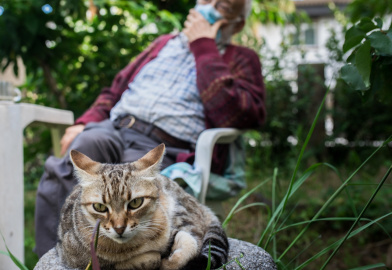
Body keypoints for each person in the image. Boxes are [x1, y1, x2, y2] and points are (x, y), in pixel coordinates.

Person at [34, 0, 266, 258]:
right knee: (74, 158)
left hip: (160, 143)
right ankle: (52, 260)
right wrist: (84, 122)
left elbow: (241, 114)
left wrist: (203, 45)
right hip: (114, 127)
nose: (209, 6)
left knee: (132, 192)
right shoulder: (163, 43)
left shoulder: (242, 58)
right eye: (206, 0)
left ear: (238, 23)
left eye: (222, 4)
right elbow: (116, 89)